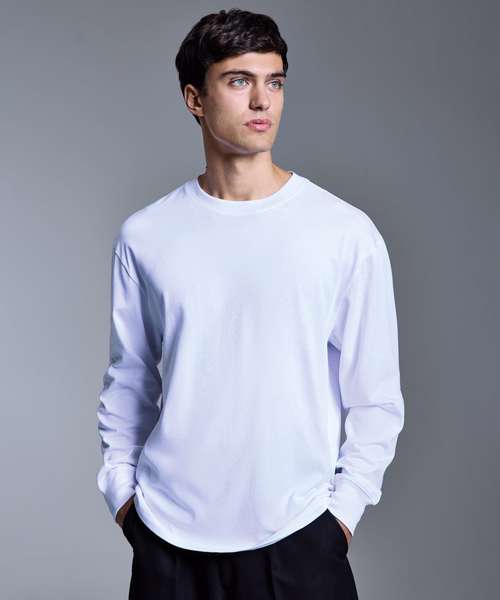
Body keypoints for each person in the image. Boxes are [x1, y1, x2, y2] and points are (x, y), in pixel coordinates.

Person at [96, 8, 405, 599]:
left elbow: (376, 395)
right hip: (167, 539)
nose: (263, 100)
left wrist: (340, 517)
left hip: (299, 538)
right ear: (195, 98)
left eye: (275, 82)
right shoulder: (147, 235)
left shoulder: (343, 232)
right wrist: (123, 497)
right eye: (239, 81)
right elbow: (129, 379)